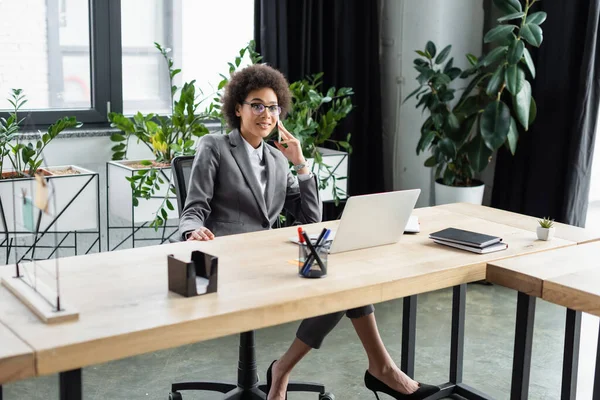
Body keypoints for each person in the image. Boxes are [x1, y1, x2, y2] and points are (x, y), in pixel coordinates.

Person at [179, 64, 440, 400]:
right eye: (257, 105)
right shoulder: (214, 146)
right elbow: (194, 208)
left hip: (267, 258)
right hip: (227, 259)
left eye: (273, 107)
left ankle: (295, 368)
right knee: (338, 281)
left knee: (346, 280)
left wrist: (301, 165)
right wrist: (194, 230)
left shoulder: (276, 159)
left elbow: (310, 219)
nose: (266, 114)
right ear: (237, 109)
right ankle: (378, 370)